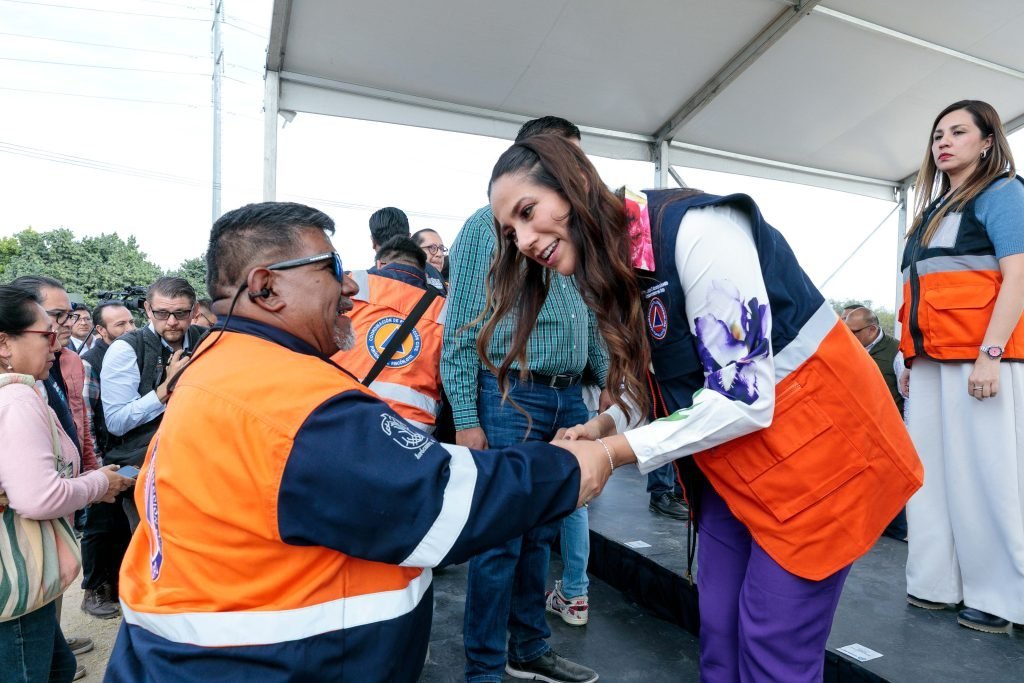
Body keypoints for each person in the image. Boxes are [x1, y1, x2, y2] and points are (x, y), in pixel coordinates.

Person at [104, 201, 610, 683]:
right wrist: (582, 461)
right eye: (331, 267)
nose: (349, 286)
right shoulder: (287, 401)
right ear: (266, 286)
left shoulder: (221, 363)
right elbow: (442, 506)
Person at [484, 134, 922, 682]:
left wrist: (613, 452)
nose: (524, 239)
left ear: (573, 181)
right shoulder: (614, 269)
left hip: (817, 461)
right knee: (718, 629)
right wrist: (601, 425)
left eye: (528, 212)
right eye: (510, 231)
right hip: (732, 466)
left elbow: (743, 394)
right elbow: (664, 380)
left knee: (772, 648)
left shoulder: (697, 229)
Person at [443, 116, 604, 683]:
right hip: (508, 397)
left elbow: (595, 313)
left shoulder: (584, 231)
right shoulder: (480, 230)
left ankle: (528, 646)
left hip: (569, 399)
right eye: (565, 162)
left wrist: (608, 388)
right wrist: (467, 417)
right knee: (499, 540)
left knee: (543, 531)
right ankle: (485, 667)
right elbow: (461, 326)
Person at [898, 99, 1024, 634]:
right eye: (936, 134)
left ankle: (1000, 598)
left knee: (985, 478)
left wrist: (990, 354)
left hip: (981, 360)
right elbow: (915, 289)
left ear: (987, 140)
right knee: (927, 478)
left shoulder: (1004, 194)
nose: (943, 142)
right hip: (930, 363)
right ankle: (935, 583)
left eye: (958, 132)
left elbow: (1018, 278)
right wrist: (908, 357)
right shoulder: (930, 212)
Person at [0, 285, 132, 683]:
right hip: (18, 587)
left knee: (58, 666)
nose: (57, 343)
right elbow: (39, 498)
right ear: (4, 343)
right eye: (46, 334)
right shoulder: (17, 399)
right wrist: (98, 483)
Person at [100, 277, 205, 529]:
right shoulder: (125, 349)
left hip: (200, 472)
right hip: (145, 473)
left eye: (180, 313)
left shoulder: (207, 340)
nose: (171, 321)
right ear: (148, 310)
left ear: (195, 311)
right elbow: (116, 422)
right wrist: (163, 391)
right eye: (162, 313)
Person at [332, 236, 446, 432]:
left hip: (340, 410)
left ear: (380, 263)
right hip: (409, 430)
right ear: (422, 270)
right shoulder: (442, 309)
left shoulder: (351, 284)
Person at [79, 302, 138, 619]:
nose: (129, 330)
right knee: (101, 524)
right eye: (120, 325)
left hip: (127, 452)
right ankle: (95, 589)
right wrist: (97, 470)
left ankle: (118, 585)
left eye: (131, 322)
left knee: (122, 523)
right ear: (100, 331)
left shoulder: (134, 352)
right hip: (103, 457)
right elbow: (87, 421)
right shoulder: (90, 362)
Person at [842, 305, 907, 541]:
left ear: (871, 329)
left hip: (887, 430)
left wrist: (906, 433)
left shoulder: (898, 353)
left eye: (853, 331)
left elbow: (908, 395)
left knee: (887, 483)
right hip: (855, 429)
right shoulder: (847, 347)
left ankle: (896, 533)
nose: (848, 336)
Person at [368, 207, 447, 294]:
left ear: (373, 242)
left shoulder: (361, 282)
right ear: (409, 238)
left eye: (441, 249)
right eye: (432, 248)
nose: (439, 254)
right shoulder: (435, 275)